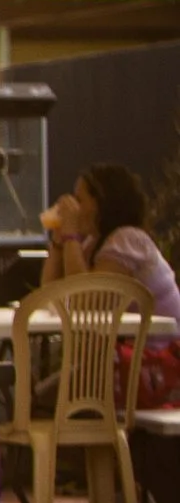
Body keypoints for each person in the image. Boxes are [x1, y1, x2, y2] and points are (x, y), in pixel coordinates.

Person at [42, 162, 180, 411]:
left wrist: (72, 236)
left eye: (80, 199)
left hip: (155, 367)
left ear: (101, 203)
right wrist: (59, 243)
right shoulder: (96, 244)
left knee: (46, 402)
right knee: (39, 398)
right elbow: (49, 295)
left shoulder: (129, 240)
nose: (74, 207)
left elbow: (85, 302)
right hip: (124, 364)